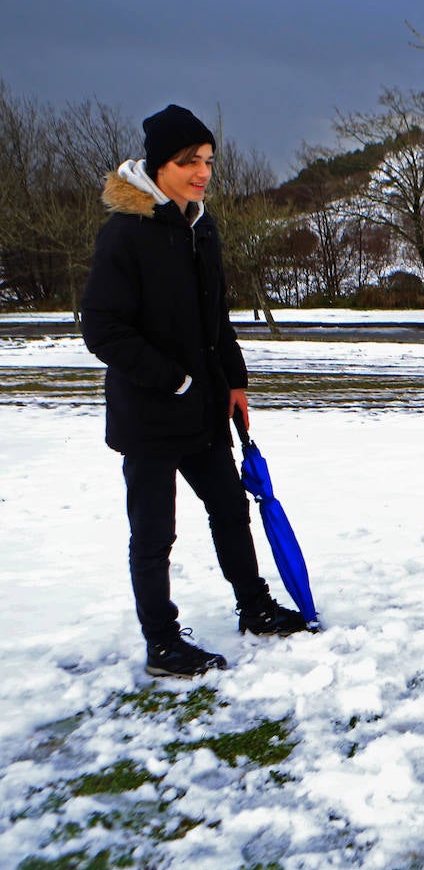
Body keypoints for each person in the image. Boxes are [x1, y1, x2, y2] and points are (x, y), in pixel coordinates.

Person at [81, 104, 308, 679]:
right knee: (155, 533)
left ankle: (253, 606)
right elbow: (102, 329)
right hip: (150, 416)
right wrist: (173, 379)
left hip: (205, 408)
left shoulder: (200, 226)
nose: (203, 172)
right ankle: (161, 642)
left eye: (208, 161)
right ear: (160, 166)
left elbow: (217, 319)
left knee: (231, 509)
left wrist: (235, 381)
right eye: (190, 162)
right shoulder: (124, 235)